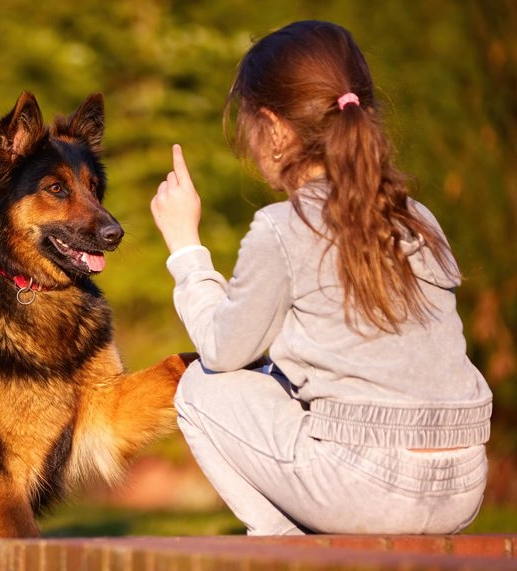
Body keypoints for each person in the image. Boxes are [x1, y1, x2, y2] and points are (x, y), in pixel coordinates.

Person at [149, 20, 492, 535]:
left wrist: (186, 247)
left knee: (200, 387)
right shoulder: (417, 217)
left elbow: (222, 350)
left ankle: (287, 555)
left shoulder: (285, 227)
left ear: (276, 129)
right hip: (463, 484)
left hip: (371, 486)